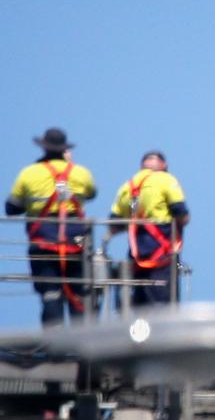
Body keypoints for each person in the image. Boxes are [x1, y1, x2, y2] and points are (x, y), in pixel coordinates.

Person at [5, 128, 96, 326]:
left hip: (43, 241)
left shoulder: (28, 173)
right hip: (76, 243)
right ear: (65, 149)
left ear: (43, 147)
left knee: (51, 293)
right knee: (77, 292)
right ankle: (82, 347)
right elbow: (91, 194)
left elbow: (11, 207)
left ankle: (55, 348)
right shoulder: (81, 173)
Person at [106, 151, 189, 306]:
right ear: (164, 165)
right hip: (162, 256)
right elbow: (182, 214)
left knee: (139, 305)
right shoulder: (166, 180)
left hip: (136, 256)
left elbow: (114, 225)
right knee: (163, 305)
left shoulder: (128, 186)